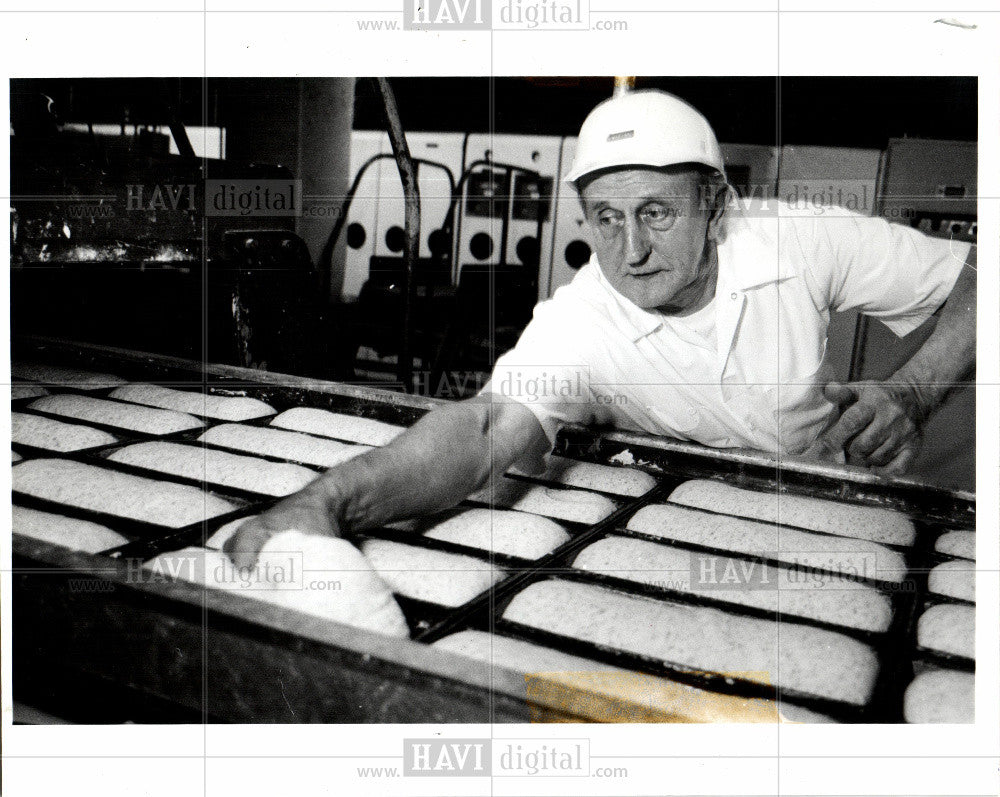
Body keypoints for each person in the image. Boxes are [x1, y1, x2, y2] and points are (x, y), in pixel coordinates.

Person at [226, 89, 975, 567]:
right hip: (695, 535)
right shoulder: (583, 319)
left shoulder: (798, 242)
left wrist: (913, 388)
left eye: (656, 211)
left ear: (715, 208)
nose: (632, 250)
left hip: (846, 524)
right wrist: (326, 502)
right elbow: (486, 430)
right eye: (607, 220)